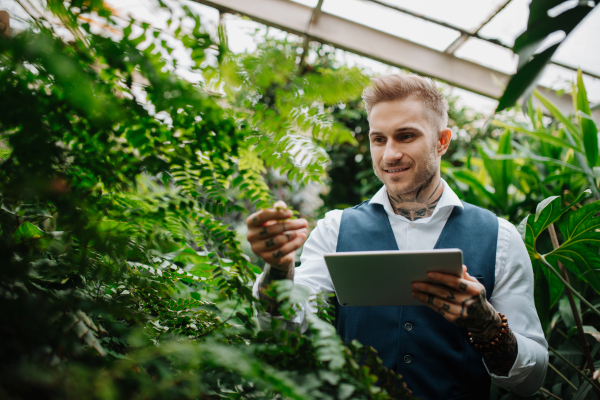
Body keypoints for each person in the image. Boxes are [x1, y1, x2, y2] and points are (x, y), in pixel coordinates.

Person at [246, 74, 548, 399]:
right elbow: (284, 330)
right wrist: (278, 271)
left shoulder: (500, 237)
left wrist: (487, 324)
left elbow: (530, 381)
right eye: (379, 139)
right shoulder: (335, 229)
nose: (389, 154)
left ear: (442, 141)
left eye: (405, 136)